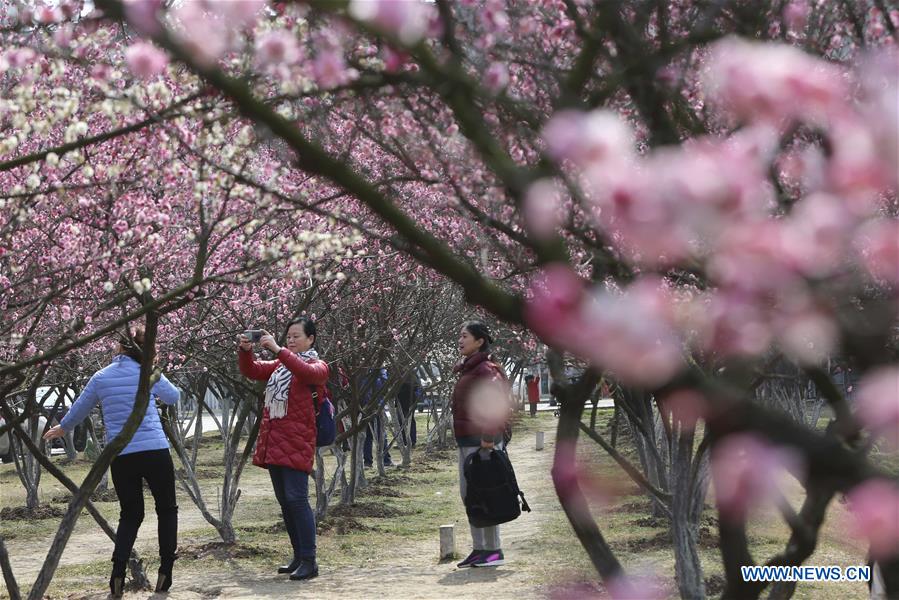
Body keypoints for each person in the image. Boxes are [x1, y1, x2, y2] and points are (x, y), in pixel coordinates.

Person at [43, 328, 181, 597]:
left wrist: (63, 428)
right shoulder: (147, 373)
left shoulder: (101, 377)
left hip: (122, 453)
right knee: (167, 510)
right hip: (155, 450)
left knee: (130, 514)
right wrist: (154, 368)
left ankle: (117, 574)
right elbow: (174, 397)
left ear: (119, 347)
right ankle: (166, 573)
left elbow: (80, 407)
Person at [238, 317, 329, 581]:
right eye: (288, 336)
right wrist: (246, 351)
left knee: (297, 499)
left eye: (296, 336)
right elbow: (253, 370)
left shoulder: (317, 365)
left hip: (297, 442)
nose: (290, 341)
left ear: (311, 339)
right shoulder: (281, 367)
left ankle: (310, 560)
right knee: (285, 502)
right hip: (274, 442)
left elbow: (308, 374)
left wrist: (279, 350)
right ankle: (298, 555)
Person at [452, 320, 511, 568]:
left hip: (481, 442)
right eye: (460, 335)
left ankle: (493, 550)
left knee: (485, 494)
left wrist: (488, 437)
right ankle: (480, 549)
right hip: (468, 440)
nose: (460, 340)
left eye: (465, 335)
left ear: (480, 341)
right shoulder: (470, 369)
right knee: (472, 495)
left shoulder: (486, 370)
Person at [361, 367, 393, 467]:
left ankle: (367, 461)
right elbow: (385, 386)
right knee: (381, 435)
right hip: (375, 407)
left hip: (364, 408)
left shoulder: (361, 373)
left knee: (367, 437)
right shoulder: (378, 374)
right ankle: (385, 460)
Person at [397, 373, 421, 447]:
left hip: (409, 402)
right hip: (402, 401)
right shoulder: (398, 374)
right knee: (402, 422)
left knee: (409, 422)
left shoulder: (411, 374)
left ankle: (411, 441)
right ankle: (405, 441)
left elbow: (416, 386)